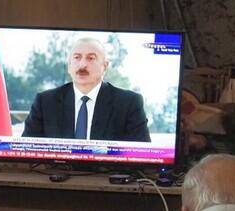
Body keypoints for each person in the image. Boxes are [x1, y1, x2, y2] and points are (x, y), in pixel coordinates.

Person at [22, 37, 151, 142]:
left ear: (105, 66)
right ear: (69, 66)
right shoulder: (45, 102)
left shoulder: (128, 103)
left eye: (91, 58)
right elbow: (26, 150)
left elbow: (141, 154)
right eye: (77, 57)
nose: (82, 65)